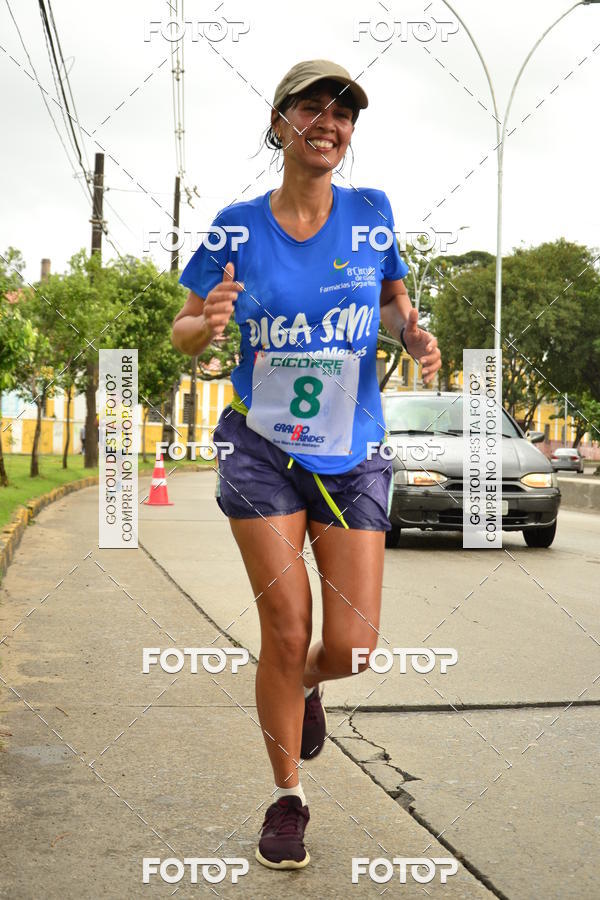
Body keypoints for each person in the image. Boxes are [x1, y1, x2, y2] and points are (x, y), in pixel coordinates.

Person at [171, 60, 442, 871]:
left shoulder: (371, 214)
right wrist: (209, 321)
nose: (329, 123)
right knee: (285, 631)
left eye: (343, 113)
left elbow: (396, 303)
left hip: (353, 450)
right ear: (280, 122)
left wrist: (411, 332)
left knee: (352, 647)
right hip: (260, 447)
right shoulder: (234, 227)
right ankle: (288, 797)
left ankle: (307, 687)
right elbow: (183, 330)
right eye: (312, 109)